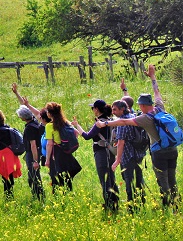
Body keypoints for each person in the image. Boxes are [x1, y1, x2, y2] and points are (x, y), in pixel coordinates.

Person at [96, 65, 177, 207]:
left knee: (163, 181)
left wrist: (105, 124)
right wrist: (152, 77)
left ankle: (167, 207)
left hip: (159, 153)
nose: (139, 108)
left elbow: (122, 121)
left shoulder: (145, 118)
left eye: (140, 105)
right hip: (172, 149)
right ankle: (177, 204)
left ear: (143, 106)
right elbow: (157, 92)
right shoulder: (159, 107)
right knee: (172, 179)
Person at [72, 100, 119, 211]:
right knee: (112, 178)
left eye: (93, 108)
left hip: (101, 153)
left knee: (105, 180)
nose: (92, 110)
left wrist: (77, 125)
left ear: (96, 109)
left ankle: (109, 205)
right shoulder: (110, 120)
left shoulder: (99, 122)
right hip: (111, 152)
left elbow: (87, 136)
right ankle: (116, 202)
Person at [110, 100, 146, 212]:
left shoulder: (122, 122)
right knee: (139, 180)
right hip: (139, 153)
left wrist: (117, 160)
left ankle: (131, 207)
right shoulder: (133, 116)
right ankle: (141, 203)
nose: (113, 112)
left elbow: (121, 142)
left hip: (128, 155)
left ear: (122, 109)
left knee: (128, 181)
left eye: (115, 109)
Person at [44, 102, 81, 193]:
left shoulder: (49, 126)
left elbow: (49, 144)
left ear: (50, 113)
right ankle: (69, 195)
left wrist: (47, 160)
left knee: (56, 176)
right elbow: (76, 133)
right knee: (67, 177)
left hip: (57, 152)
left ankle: (58, 198)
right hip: (66, 151)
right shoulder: (65, 122)